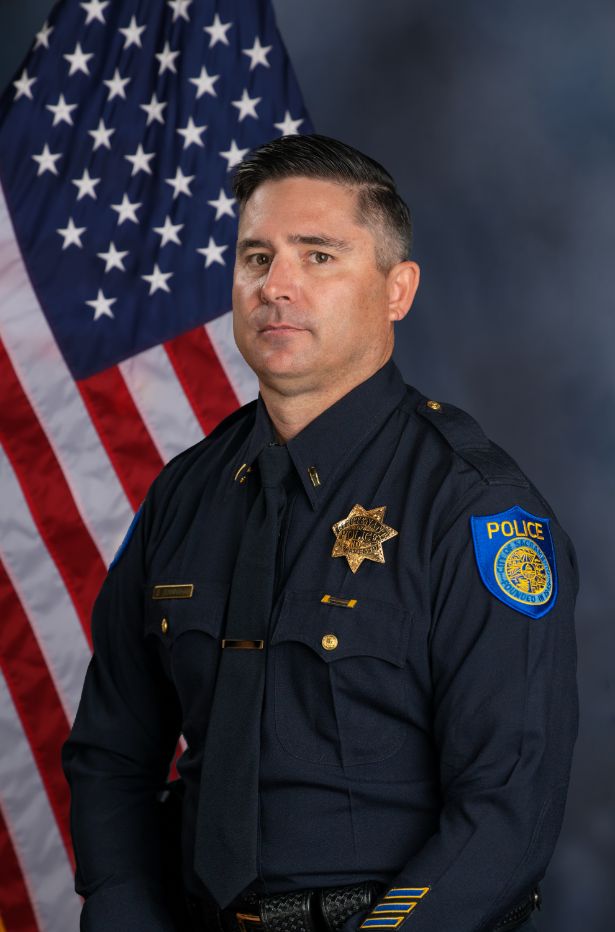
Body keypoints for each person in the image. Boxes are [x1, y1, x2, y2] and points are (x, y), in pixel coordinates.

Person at [62, 134, 578, 932]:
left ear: (396, 289)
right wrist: (124, 910)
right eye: (256, 257)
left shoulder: (473, 507)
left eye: (319, 256)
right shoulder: (185, 494)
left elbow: (505, 814)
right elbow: (111, 753)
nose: (277, 286)